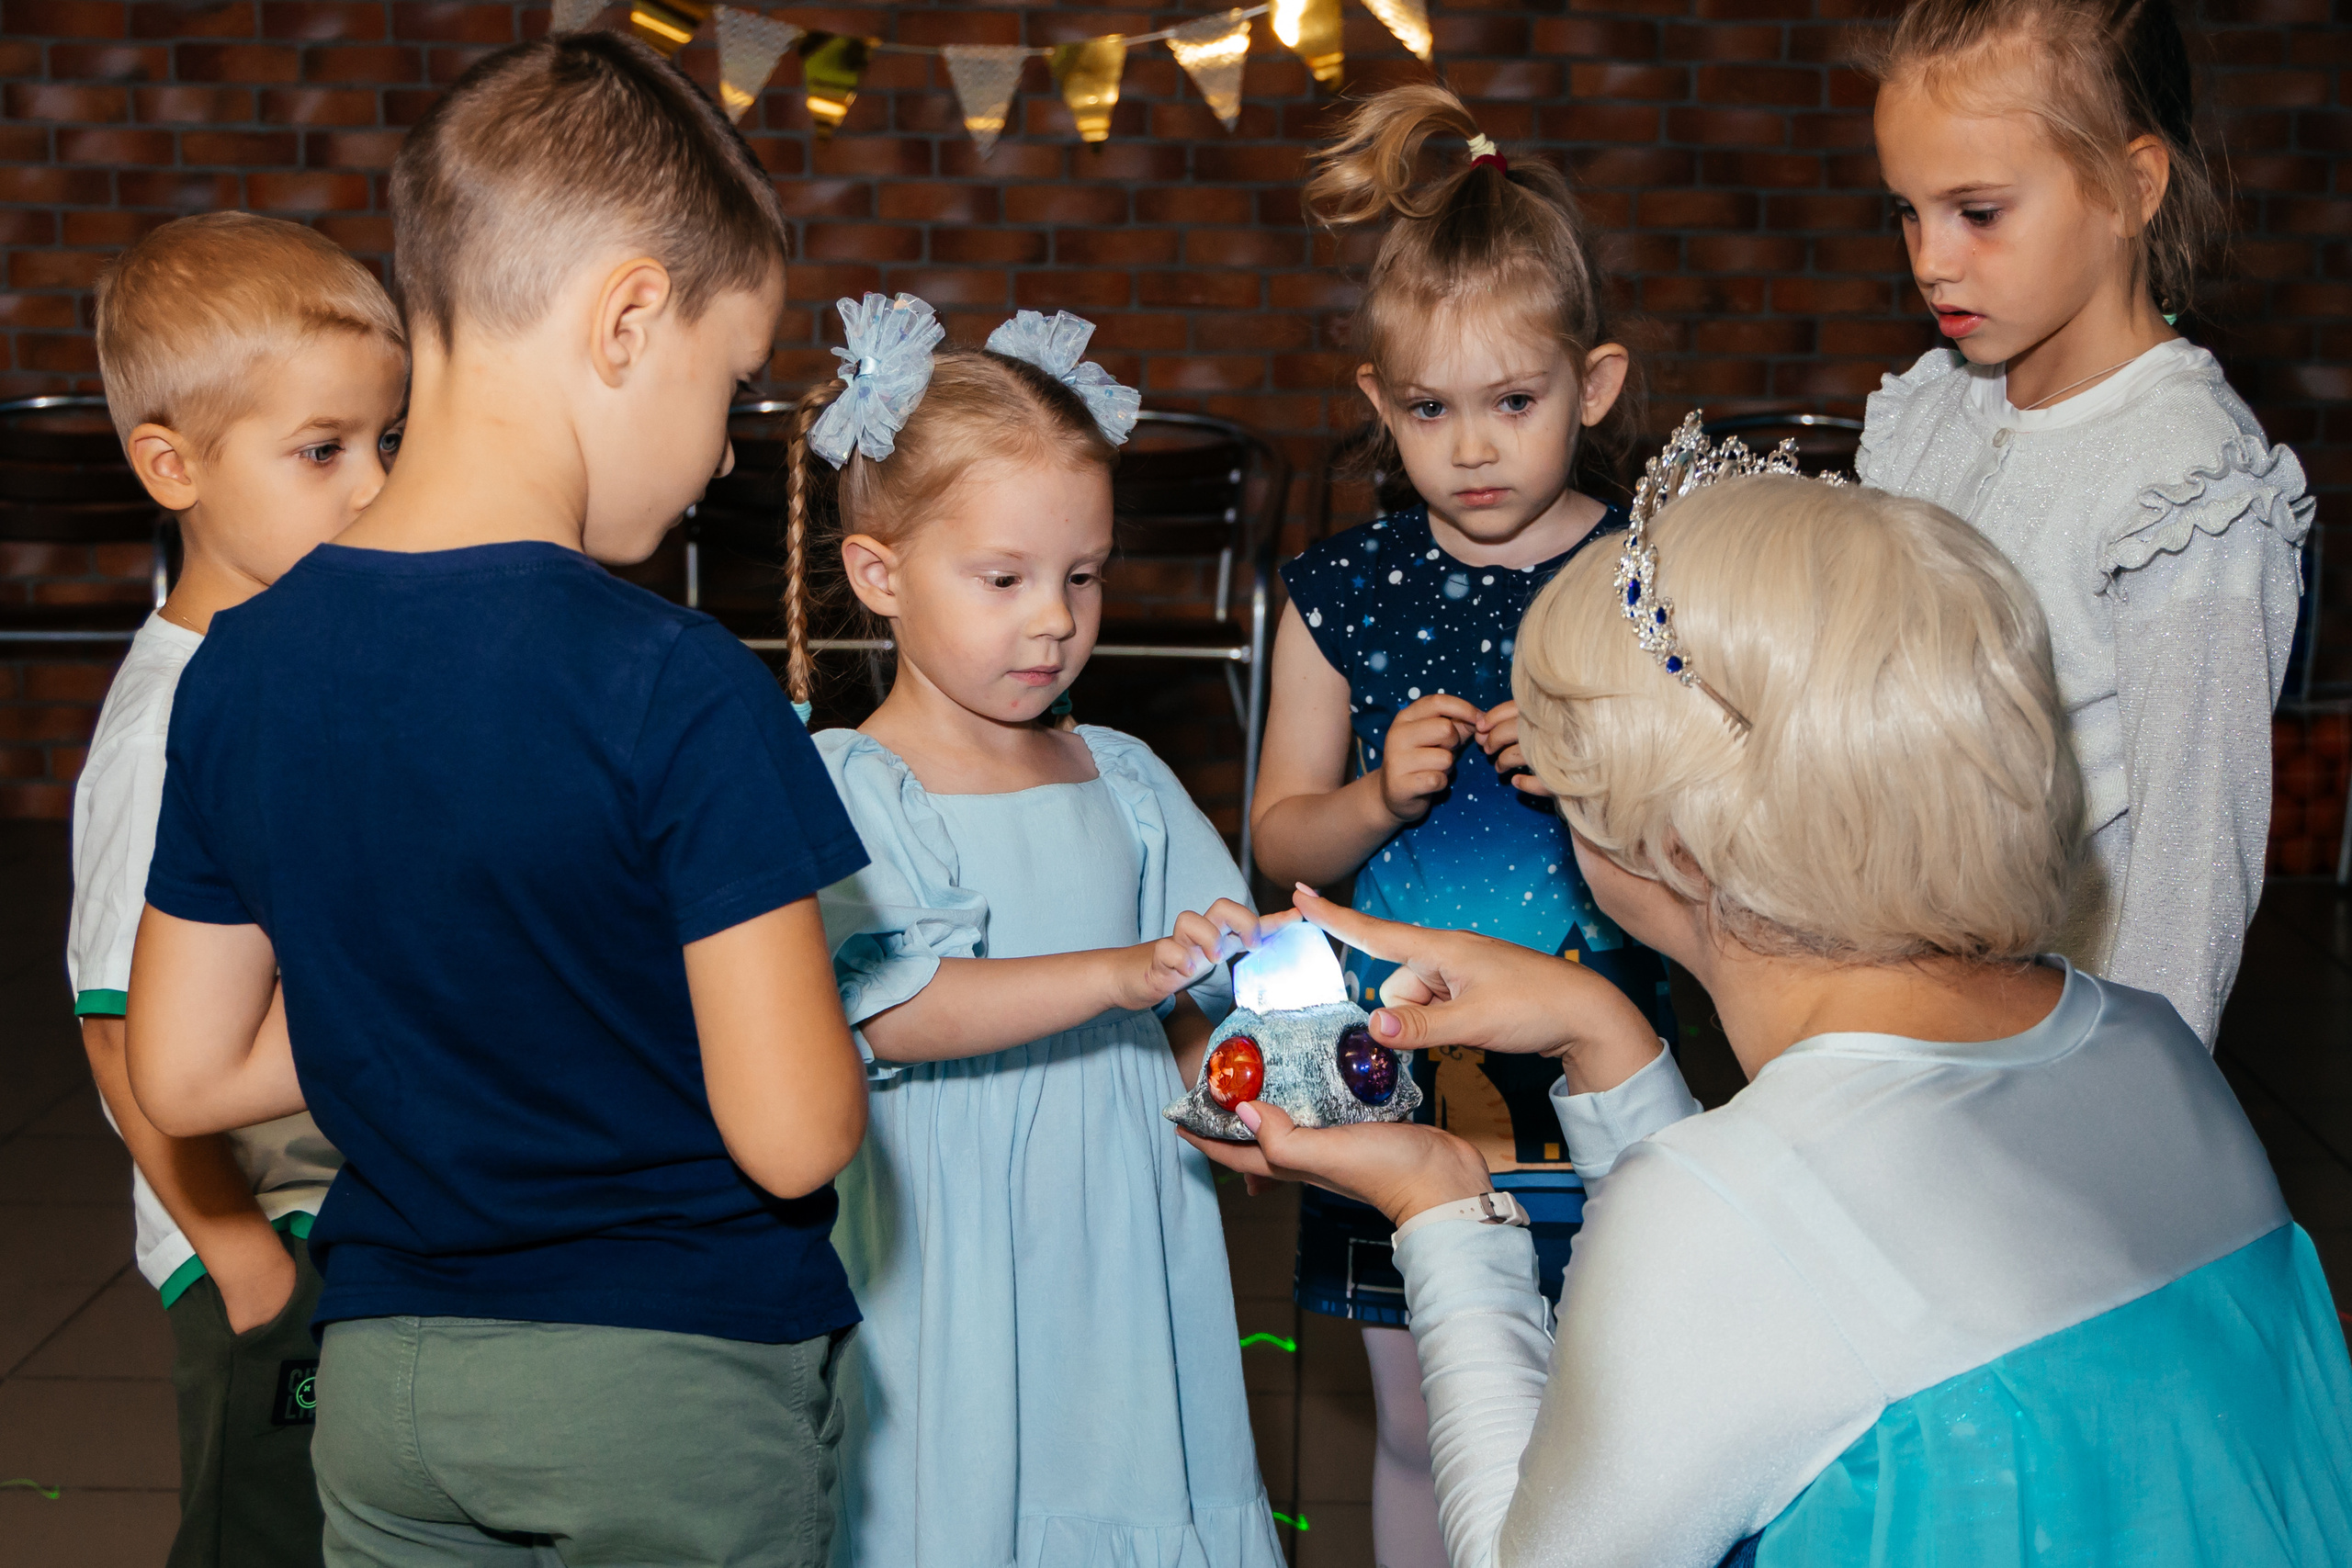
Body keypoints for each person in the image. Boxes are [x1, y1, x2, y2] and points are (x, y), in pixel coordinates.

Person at [1189, 465, 2352, 1567]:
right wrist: (1608, 1032)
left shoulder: (1710, 1211)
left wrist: (1442, 1203)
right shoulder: (2148, 1044)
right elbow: (1813, 1279)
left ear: (1672, 847)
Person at [120, 34, 871, 1568]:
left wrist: (438, 1018)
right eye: (730, 383)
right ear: (628, 318)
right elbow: (794, 1137)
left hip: (392, 1392)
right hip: (669, 1390)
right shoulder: (679, 682)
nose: (725, 447)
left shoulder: (239, 670)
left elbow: (185, 1073)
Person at [1246, 81, 1673, 1566]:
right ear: (1377, 405)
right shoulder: (1342, 593)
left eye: (1515, 401)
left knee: (1617, 1404)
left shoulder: (1648, 578)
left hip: (1615, 1070)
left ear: (1596, 385)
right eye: (1429, 409)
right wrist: (1373, 797)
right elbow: (1280, 842)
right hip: (1395, 1070)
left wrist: (1602, 782)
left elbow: (1736, 830)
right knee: (1429, 1415)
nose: (1473, 448)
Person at [788, 293, 1284, 1568]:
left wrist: (1237, 1081)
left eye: (1082, 574)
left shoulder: (1118, 771)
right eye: (1004, 579)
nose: (1055, 617)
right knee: (969, 1483)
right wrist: (1123, 972)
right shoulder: (856, 779)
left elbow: (1198, 997)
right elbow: (899, 1004)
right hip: (952, 1227)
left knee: (1119, 1454)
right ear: (879, 573)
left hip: (1125, 1209)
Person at [1859, 0, 2311, 1047]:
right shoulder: (1930, 413)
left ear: (2128, 186)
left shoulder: (2184, 486)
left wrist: (2140, 1096)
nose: (1931, 259)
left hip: (2054, 1039)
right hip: (1886, 996)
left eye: (1977, 212)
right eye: (1905, 212)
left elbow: (2192, 862)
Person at [66, 211, 405, 1568]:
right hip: (259, 1240)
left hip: (347, 1200)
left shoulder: (284, 666)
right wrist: (239, 1254)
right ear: (174, 464)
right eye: (322, 452)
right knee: (262, 1534)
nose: (373, 486)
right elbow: (116, 1024)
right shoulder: (171, 723)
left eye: (387, 441)